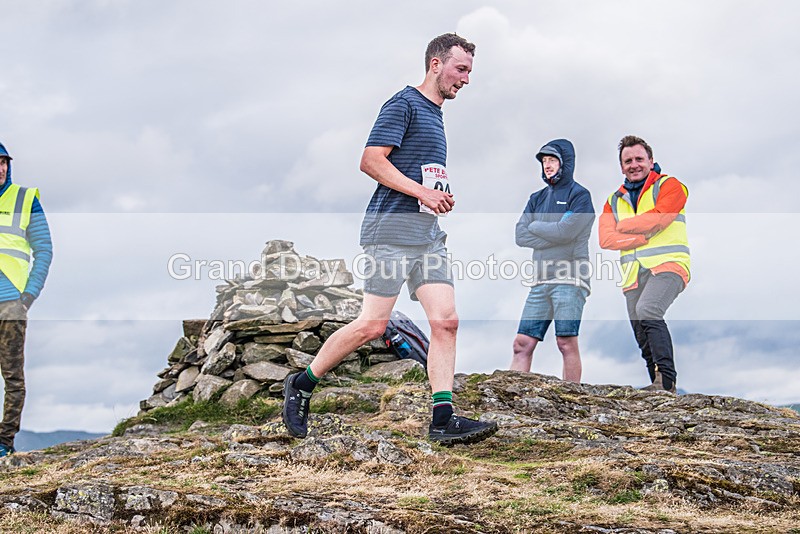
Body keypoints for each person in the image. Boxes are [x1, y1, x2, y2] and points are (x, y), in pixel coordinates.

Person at [282, 33, 498, 445]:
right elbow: (370, 160)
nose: (466, 79)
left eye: (469, 71)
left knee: (446, 321)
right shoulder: (404, 103)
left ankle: (442, 418)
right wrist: (422, 192)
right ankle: (303, 383)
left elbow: (416, 171)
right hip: (390, 233)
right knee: (372, 325)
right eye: (461, 69)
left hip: (427, 237)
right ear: (436, 64)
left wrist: (436, 195)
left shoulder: (436, 114)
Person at [599, 135, 690, 393]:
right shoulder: (614, 199)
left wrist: (623, 227)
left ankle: (667, 383)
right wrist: (640, 236)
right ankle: (658, 387)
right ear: (621, 167)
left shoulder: (671, 186)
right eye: (628, 161)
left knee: (649, 310)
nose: (634, 164)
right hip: (633, 274)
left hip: (669, 265)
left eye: (639, 158)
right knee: (640, 330)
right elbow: (605, 238)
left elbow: (661, 218)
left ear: (651, 160)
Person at [511, 139, 594, 382]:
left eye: (553, 160)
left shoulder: (580, 196)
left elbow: (566, 232)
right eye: (545, 161)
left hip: (570, 278)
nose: (547, 165)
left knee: (565, 342)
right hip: (540, 280)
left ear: (565, 163)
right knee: (521, 343)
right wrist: (555, 231)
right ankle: (513, 397)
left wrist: (537, 227)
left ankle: (572, 398)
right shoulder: (536, 197)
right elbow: (520, 235)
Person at [0, 142, 53, 457]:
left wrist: (28, 294)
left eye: (4, 162)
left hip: (11, 303)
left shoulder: (25, 199)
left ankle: (4, 444)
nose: (0, 168)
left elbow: (44, 249)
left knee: (13, 377)